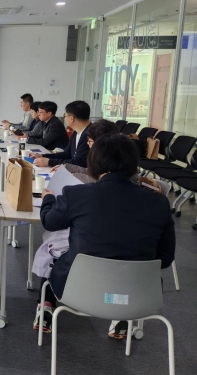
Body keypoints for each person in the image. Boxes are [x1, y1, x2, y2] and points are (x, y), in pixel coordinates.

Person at [33, 133, 175, 337]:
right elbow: (165, 259)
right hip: (138, 294)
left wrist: (48, 200)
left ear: (93, 162)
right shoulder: (159, 203)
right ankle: (120, 316)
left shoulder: (76, 195)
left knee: (53, 249)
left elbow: (50, 222)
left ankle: (45, 304)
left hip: (78, 290)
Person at [32, 101, 91, 168]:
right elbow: (66, 154)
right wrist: (43, 156)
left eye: (64, 116)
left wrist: (49, 162)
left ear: (71, 118)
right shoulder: (76, 132)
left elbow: (78, 162)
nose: (64, 118)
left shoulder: (90, 135)